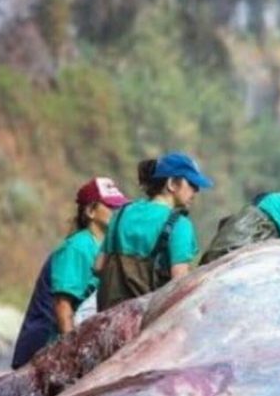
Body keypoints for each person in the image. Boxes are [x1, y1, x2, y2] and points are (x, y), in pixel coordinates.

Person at [11, 177, 130, 369]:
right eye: (110, 206)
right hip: (45, 349)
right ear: (90, 211)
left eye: (119, 207)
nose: (117, 212)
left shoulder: (103, 248)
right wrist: (72, 355)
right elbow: (62, 305)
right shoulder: (77, 247)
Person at [96, 152, 213, 311]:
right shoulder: (179, 225)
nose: (196, 190)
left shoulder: (122, 213)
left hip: (108, 315)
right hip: (145, 321)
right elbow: (180, 284)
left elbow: (98, 266)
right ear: (172, 183)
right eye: (192, 184)